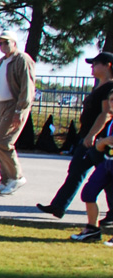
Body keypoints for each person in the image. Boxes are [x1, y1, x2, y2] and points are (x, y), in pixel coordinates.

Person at [37, 52, 113, 219]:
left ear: (108, 65)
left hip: (99, 140)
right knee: (76, 171)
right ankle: (58, 206)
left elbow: (106, 114)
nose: (92, 67)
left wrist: (93, 135)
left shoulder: (109, 88)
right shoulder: (99, 87)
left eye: (95, 63)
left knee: (107, 177)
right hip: (86, 137)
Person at [0, 31, 36, 195]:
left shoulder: (22, 59)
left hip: (14, 105)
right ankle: (5, 180)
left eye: (6, 42)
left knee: (3, 141)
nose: (2, 46)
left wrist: (20, 109)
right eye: (0, 43)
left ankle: (17, 177)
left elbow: (27, 87)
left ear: (14, 42)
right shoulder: (2, 61)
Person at [69, 88, 113, 242]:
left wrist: (105, 142)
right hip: (108, 163)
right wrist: (103, 142)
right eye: (111, 100)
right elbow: (101, 147)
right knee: (88, 192)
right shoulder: (110, 122)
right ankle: (92, 229)